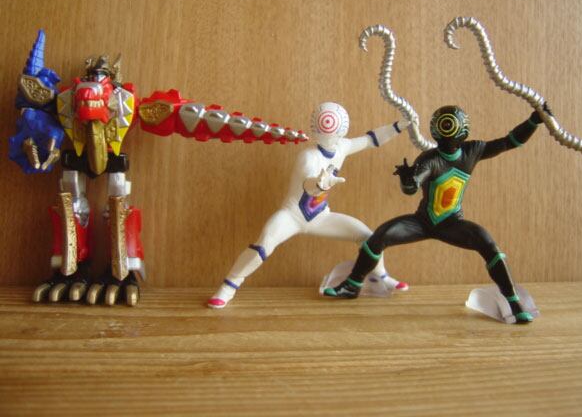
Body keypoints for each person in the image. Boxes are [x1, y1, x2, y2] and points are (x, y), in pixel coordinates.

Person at [324, 104, 551, 323]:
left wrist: (533, 121)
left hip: (452, 223)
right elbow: (412, 186)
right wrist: (408, 179)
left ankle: (513, 303)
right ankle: (353, 284)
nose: (447, 137)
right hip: (423, 222)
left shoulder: (472, 151)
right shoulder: (430, 159)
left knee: (489, 245)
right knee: (379, 237)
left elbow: (510, 141)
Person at [208, 102, 410, 308]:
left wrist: (399, 126)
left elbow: (371, 140)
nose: (329, 133)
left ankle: (382, 276)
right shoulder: (308, 156)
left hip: (320, 216)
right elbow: (308, 183)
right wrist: (320, 184)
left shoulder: (343, 147)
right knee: (264, 243)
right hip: (292, 215)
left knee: (369, 237)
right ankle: (228, 286)